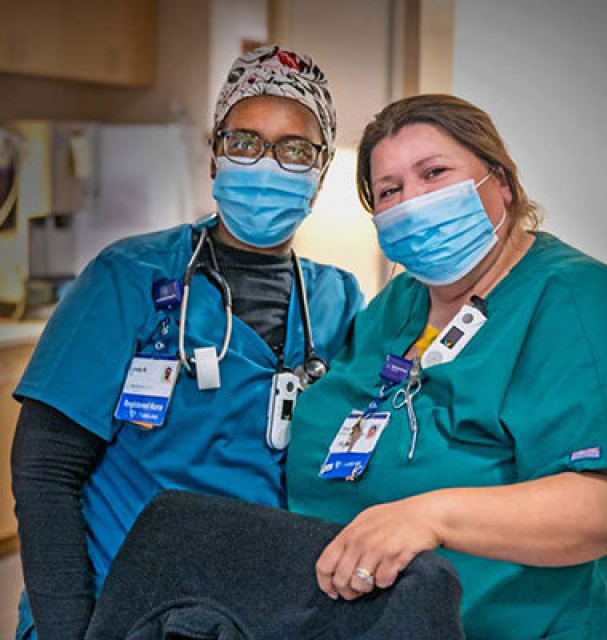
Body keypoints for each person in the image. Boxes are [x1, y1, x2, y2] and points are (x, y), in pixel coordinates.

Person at [11, 45, 363, 640]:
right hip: (117, 610)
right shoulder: (130, 276)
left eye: (294, 150)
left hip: (257, 612)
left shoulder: (340, 302)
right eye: (245, 142)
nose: (267, 165)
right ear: (215, 157)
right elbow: (44, 470)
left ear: (321, 171)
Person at [287, 94, 607, 640]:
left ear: (501, 184)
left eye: (435, 173)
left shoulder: (582, 303)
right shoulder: (397, 305)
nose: (413, 201)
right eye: (390, 191)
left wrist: (428, 516)